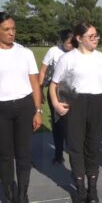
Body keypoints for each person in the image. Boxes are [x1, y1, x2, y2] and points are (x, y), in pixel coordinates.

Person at [49, 22, 102, 203]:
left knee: (93, 148)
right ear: (79, 38)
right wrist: (55, 104)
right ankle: (80, 189)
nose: (96, 39)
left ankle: (92, 189)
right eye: (91, 36)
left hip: (97, 104)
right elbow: (53, 85)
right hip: (75, 105)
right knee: (76, 148)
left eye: (96, 35)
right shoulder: (68, 58)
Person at [0, 12, 42, 203]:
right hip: (2, 109)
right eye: (6, 29)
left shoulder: (25, 53)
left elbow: (34, 84)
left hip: (24, 107)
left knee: (24, 154)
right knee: (5, 154)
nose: (11, 33)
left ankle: (22, 193)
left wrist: (38, 110)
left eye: (13, 29)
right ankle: (9, 191)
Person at [38, 29, 74, 165]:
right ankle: (58, 153)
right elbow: (42, 72)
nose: (72, 45)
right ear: (62, 42)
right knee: (58, 122)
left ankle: (72, 148)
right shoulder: (53, 51)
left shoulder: (78, 52)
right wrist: (40, 90)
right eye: (69, 43)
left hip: (74, 91)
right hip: (56, 90)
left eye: (74, 42)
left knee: (73, 122)